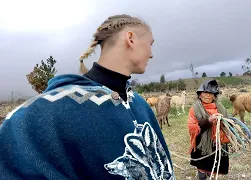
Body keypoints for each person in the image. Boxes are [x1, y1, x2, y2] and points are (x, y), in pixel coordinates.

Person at [0, 14, 175, 180]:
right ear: (131, 39)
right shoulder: (41, 113)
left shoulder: (140, 105)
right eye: (150, 44)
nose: (152, 54)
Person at [188, 79, 231, 180]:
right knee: (202, 169)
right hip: (202, 145)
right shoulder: (194, 109)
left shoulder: (221, 107)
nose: (208, 95)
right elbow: (192, 128)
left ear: (215, 95)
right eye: (205, 92)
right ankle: (202, 176)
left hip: (218, 143)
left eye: (211, 93)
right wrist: (208, 121)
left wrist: (226, 123)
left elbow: (230, 121)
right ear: (199, 95)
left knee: (216, 168)